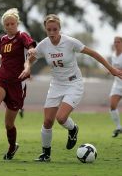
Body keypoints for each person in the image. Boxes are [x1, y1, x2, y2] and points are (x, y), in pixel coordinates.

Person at [19, 14, 122, 162]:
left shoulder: (70, 42)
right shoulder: (43, 45)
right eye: (49, 29)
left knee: (61, 118)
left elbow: (92, 53)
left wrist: (111, 69)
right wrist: (27, 68)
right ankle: (45, 154)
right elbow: (29, 60)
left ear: (59, 29)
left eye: (55, 29)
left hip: (74, 84)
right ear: (46, 30)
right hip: (56, 85)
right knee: (48, 121)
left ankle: (73, 129)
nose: (52, 32)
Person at [0, 8, 36, 160]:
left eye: (12, 23)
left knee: (9, 124)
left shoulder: (22, 36)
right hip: (1, 78)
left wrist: (31, 51)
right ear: (4, 26)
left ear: (17, 24)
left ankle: (12, 147)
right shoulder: (2, 40)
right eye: (7, 24)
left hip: (17, 83)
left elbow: (30, 46)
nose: (10, 26)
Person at [109, 36, 122, 137]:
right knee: (112, 105)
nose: (116, 44)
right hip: (117, 85)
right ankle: (118, 127)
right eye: (115, 42)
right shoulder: (113, 55)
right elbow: (113, 69)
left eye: (118, 42)